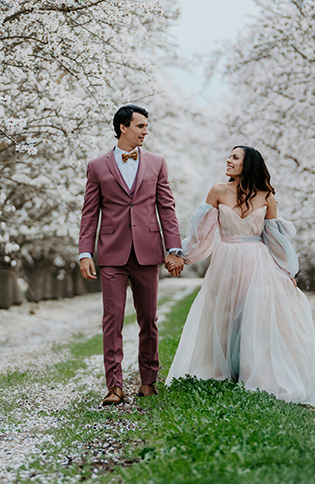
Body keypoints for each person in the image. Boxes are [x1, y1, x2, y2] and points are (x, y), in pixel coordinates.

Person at [166, 145, 315, 406]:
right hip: (226, 259)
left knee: (255, 316)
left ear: (249, 163)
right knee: (221, 315)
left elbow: (274, 238)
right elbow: (201, 230)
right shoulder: (218, 190)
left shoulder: (268, 197)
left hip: (259, 262)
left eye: (235, 157)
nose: (228, 160)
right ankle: (218, 371)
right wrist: (182, 255)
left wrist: (288, 271)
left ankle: (255, 373)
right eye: (229, 156)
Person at [79, 104, 186, 406]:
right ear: (123, 127)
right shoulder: (97, 166)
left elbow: (166, 207)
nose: (145, 132)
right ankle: (115, 386)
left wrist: (174, 248)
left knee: (148, 319)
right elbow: (90, 214)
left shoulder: (157, 163)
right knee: (112, 321)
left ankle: (148, 381)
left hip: (147, 253)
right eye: (140, 126)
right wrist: (85, 252)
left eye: (146, 126)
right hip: (112, 255)